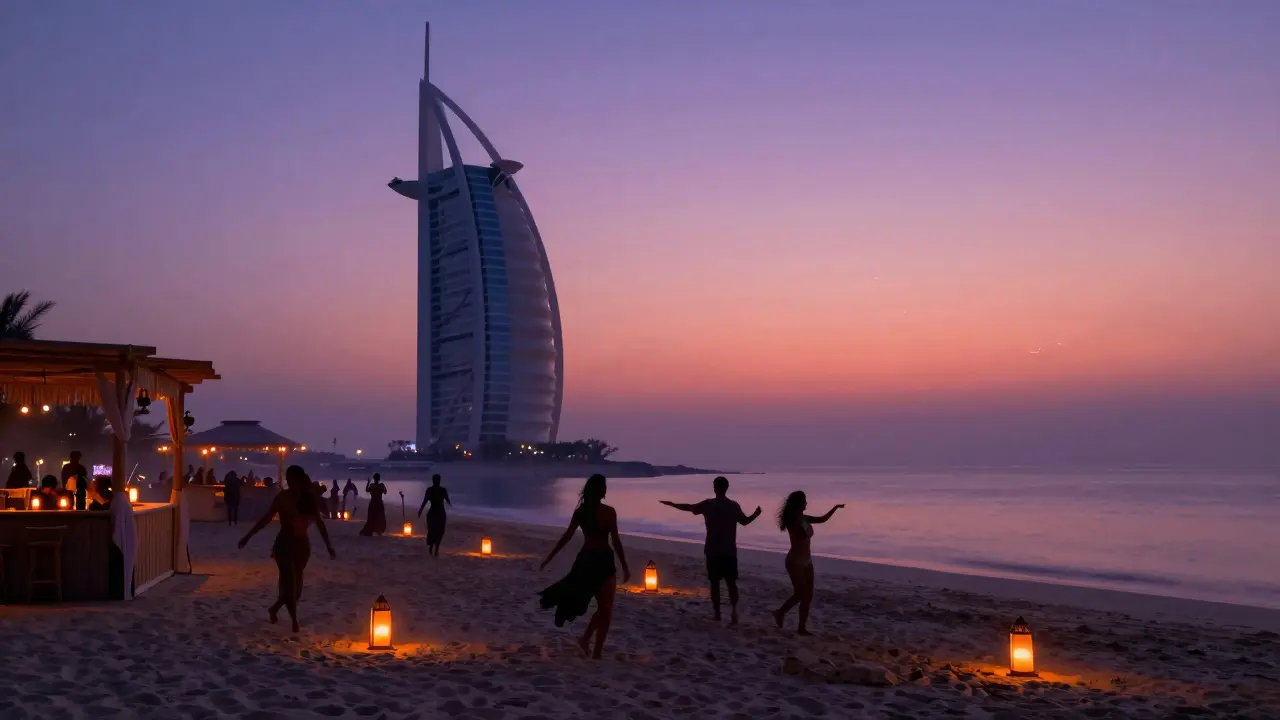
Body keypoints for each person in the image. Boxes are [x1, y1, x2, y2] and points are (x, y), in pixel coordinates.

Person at [538, 474, 631, 659]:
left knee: (605, 608)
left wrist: (549, 558)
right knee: (606, 608)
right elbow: (615, 541)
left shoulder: (584, 512)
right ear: (602, 491)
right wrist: (625, 566)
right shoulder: (603, 512)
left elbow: (567, 537)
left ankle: (592, 646)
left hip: (594, 560)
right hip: (596, 561)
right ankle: (592, 647)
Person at [238, 466, 335, 633]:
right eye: (288, 478)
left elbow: (319, 522)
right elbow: (267, 518)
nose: (289, 481)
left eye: (290, 478)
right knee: (289, 583)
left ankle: (274, 609)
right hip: (284, 543)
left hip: (302, 544)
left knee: (296, 589)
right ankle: (294, 621)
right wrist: (248, 535)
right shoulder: (282, 497)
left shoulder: (308, 498)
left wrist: (328, 545)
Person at [660, 476, 762, 624]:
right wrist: (756, 514)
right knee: (731, 582)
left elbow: (689, 507)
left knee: (715, 583)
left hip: (713, 549)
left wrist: (672, 504)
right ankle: (734, 612)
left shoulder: (708, 504)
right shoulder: (733, 506)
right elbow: (745, 521)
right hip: (729, 550)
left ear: (714, 488)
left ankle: (717, 614)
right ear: (727, 488)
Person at [772, 491, 844, 635]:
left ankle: (801, 628)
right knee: (800, 593)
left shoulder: (804, 518)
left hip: (807, 560)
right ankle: (780, 612)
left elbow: (823, 519)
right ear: (799, 503)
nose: (807, 503)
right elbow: (801, 533)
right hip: (795, 561)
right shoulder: (793, 520)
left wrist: (835, 508)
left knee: (808, 596)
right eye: (805, 501)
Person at [416, 474, 452, 557]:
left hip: (435, 513)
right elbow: (448, 501)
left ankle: (434, 549)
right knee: (437, 531)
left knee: (436, 531)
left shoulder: (431, 490)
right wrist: (420, 510)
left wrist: (420, 510)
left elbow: (424, 501)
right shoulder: (441, 490)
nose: (437, 482)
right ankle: (434, 549)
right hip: (438, 513)